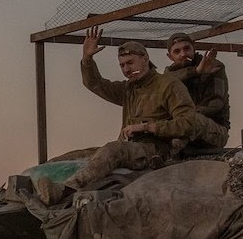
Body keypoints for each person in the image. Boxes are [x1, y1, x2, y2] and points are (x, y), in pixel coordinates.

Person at [56, 26, 202, 197]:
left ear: (145, 59)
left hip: (157, 151)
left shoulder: (168, 85)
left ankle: (65, 191)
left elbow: (188, 123)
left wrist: (146, 127)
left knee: (113, 150)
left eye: (130, 63)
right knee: (75, 156)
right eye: (122, 65)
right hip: (130, 148)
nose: (126, 70)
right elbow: (96, 85)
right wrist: (87, 59)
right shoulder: (129, 89)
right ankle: (39, 184)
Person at [164, 32, 231, 149]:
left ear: (194, 48)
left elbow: (215, 104)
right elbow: (163, 82)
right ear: (170, 57)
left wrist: (181, 119)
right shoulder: (170, 74)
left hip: (213, 132)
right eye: (177, 51)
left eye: (187, 48)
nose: (183, 54)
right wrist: (196, 71)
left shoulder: (213, 66)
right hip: (180, 128)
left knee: (193, 120)